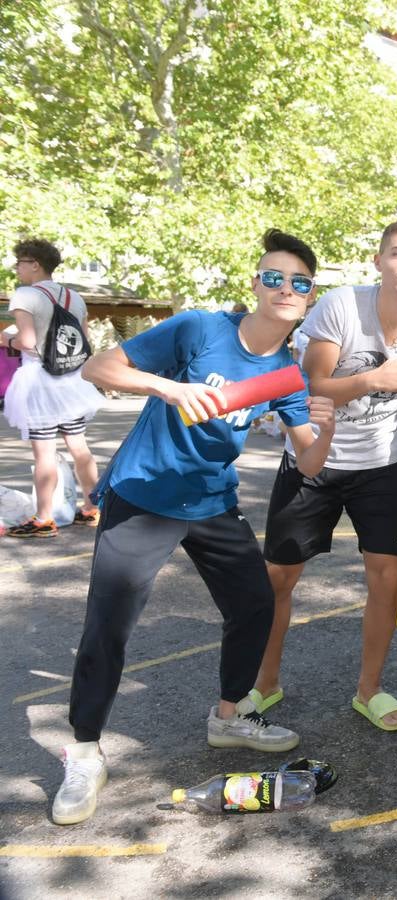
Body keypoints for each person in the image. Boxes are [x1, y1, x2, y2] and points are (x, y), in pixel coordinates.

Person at [51, 229, 336, 825]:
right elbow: (98, 367)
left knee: (256, 602)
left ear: (310, 298)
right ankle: (83, 752)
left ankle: (228, 718)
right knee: (109, 624)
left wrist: (324, 426)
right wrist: (169, 385)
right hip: (145, 493)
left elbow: (309, 462)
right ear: (255, 284)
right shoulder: (199, 329)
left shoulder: (287, 373)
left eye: (299, 282)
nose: (286, 288)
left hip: (210, 501)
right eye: (274, 277)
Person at [255, 219, 397, 733]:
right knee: (278, 580)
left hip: (378, 468)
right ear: (378, 260)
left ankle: (368, 690)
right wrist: (372, 378)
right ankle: (263, 683)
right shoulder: (343, 306)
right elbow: (310, 386)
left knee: (386, 582)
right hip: (312, 459)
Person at [3, 238, 103, 538]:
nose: (16, 269)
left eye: (19, 263)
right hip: (72, 381)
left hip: (40, 381)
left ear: (35, 263)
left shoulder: (25, 295)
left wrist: (5, 340)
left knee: (44, 452)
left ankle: (44, 518)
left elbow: (28, 343)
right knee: (79, 446)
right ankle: (92, 507)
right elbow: (86, 343)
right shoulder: (75, 297)